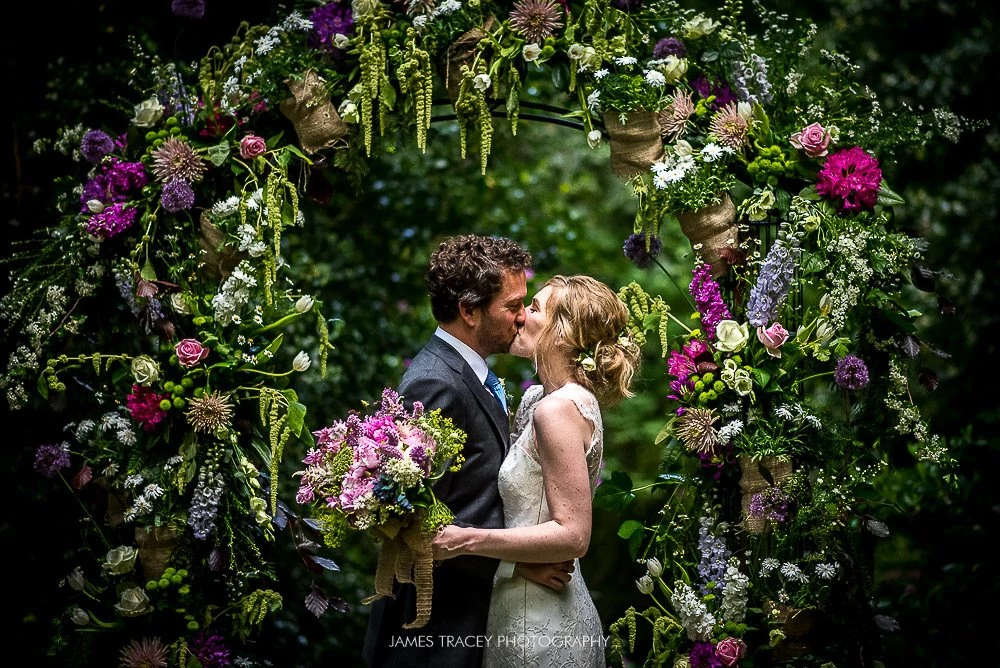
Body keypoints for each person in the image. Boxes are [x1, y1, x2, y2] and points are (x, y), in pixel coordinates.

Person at [363, 235, 573, 668]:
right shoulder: (435, 383)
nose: (521, 317)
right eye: (513, 305)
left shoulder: (471, 375)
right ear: (469, 310)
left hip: (467, 615)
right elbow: (416, 525)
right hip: (435, 629)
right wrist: (513, 566)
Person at [432, 274, 642, 668]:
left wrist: (464, 540)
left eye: (534, 308)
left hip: (541, 627)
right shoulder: (536, 399)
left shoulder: (558, 410)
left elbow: (573, 535)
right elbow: (521, 510)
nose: (520, 316)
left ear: (563, 335)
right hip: (517, 598)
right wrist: (514, 562)